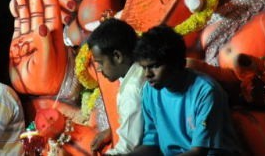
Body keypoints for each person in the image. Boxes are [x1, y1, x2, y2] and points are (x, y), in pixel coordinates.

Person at [123, 25, 241, 156]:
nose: (147, 74)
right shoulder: (149, 92)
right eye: (144, 67)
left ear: (178, 63)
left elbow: (198, 152)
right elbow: (151, 144)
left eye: (154, 66)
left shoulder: (206, 92)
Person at [87, 17, 145, 155]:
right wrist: (111, 131)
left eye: (100, 62)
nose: (99, 69)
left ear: (117, 56)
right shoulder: (136, 70)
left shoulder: (133, 89)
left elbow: (128, 148)